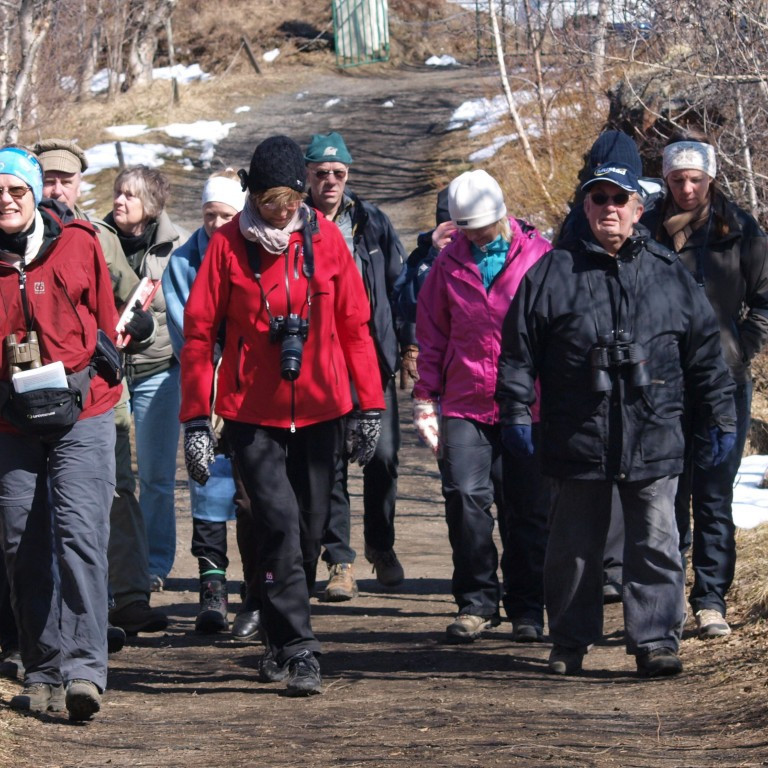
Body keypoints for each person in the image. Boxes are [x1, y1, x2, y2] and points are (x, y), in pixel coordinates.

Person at [496, 159, 737, 677]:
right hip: (576, 431)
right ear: (586, 208)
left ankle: (655, 641)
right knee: (573, 548)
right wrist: (515, 411)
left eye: (618, 199)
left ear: (639, 208)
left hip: (654, 429)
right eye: (598, 199)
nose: (609, 208)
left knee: (656, 541)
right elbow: (517, 352)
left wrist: (719, 414)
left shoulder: (669, 274)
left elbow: (704, 356)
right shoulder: (552, 273)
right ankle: (569, 641)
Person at [180, 135, 384, 696]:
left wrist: (370, 406)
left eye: (293, 198)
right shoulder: (226, 248)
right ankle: (300, 649)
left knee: (310, 532)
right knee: (278, 523)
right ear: (252, 194)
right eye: (272, 200)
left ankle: (275, 634)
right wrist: (197, 420)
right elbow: (199, 337)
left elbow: (356, 328)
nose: (285, 210)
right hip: (252, 413)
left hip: (322, 409)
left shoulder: (326, 242)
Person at [0, 146, 121, 720]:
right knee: (22, 542)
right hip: (9, 421)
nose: (6, 200)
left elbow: (102, 315)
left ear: (34, 194)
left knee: (79, 535)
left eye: (17, 190)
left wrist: (110, 356)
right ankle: (42, 665)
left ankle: (83, 669)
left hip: (84, 410)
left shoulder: (78, 242)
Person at [34, 139, 168, 643]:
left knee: (118, 487)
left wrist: (139, 329)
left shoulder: (94, 236)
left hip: (96, 392)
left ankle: (129, 597)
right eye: (48, 179)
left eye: (65, 180)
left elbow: (133, 301)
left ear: (78, 184)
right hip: (27, 396)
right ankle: (57, 620)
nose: (56, 189)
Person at [413, 170, 551, 643]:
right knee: (465, 499)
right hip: (465, 399)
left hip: (527, 404)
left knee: (525, 508)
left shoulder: (540, 258)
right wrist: (425, 397)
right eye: (465, 228)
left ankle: (528, 607)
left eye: (481, 227)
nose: (473, 237)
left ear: (501, 216)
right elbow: (431, 336)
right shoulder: (446, 266)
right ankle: (476, 601)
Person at [643, 131, 768, 639]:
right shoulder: (645, 228)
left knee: (714, 493)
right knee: (667, 493)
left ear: (710, 179)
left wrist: (742, 346)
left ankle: (710, 599)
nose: (686, 188)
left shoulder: (739, 229)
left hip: (723, 381)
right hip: (661, 380)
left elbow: (764, 299)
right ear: (666, 180)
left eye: (695, 179)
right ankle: (664, 602)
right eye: (677, 179)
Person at [304, 132, 407, 600]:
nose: (330, 180)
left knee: (382, 456)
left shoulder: (372, 222)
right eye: (321, 172)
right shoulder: (295, 221)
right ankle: (339, 561)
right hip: (320, 363)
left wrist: (408, 346)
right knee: (332, 464)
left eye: (338, 173)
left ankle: (380, 546)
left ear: (348, 176)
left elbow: (400, 287)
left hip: (372, 357)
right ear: (307, 175)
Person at [163, 168, 249, 634]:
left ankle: (260, 588)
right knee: (208, 488)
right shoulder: (182, 262)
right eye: (209, 215)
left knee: (255, 492)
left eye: (226, 215)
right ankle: (212, 589)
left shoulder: (253, 251)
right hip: (205, 392)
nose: (217, 224)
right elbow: (186, 328)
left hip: (252, 391)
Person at [104, 166, 189, 592]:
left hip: (159, 372)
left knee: (156, 477)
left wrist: (150, 329)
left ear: (151, 206)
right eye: (118, 193)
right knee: (114, 477)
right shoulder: (96, 238)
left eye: (130, 196)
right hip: (110, 374)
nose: (119, 201)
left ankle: (155, 563)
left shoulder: (178, 248)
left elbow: (180, 310)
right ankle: (118, 565)